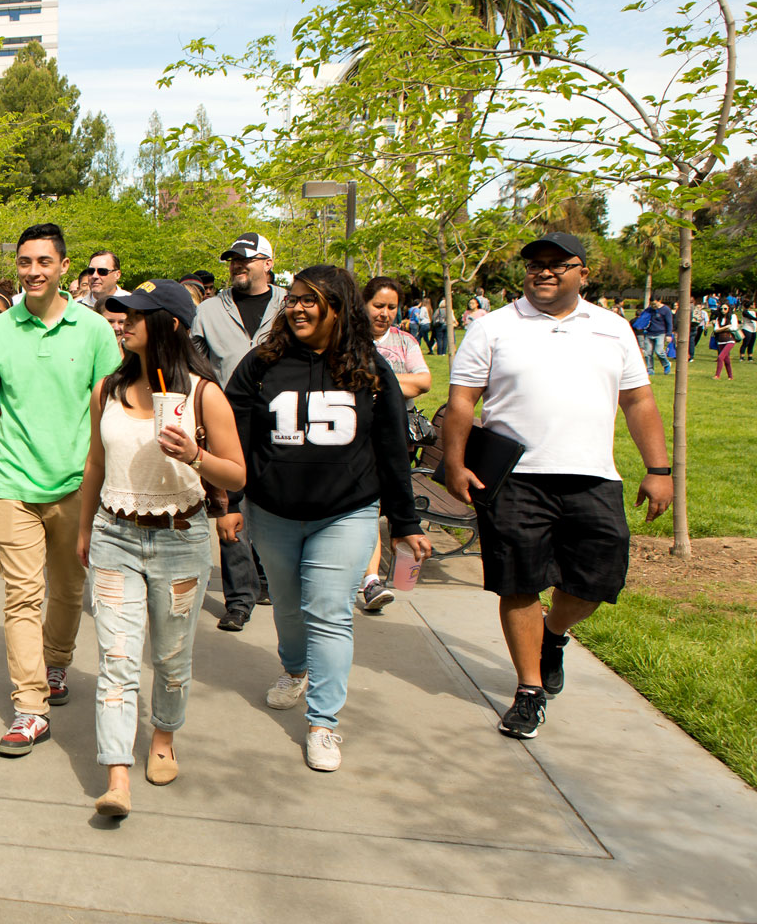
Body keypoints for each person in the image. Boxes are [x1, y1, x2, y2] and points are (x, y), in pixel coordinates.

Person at [445, 232, 672, 741]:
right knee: (518, 581)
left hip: (593, 475)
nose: (543, 272)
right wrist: (455, 465)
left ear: (583, 273)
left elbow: (638, 402)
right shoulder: (493, 328)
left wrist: (659, 469)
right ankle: (529, 691)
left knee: (597, 579)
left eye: (557, 264)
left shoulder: (613, 329)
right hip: (515, 478)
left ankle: (553, 634)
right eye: (534, 265)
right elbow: (462, 402)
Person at [225, 264, 432, 772]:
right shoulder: (261, 364)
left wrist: (405, 523)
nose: (296, 307)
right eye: (292, 299)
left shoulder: (371, 369)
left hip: (346, 513)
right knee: (290, 608)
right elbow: (236, 439)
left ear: (337, 308)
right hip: (272, 512)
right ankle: (294, 670)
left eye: (309, 300)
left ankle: (324, 724)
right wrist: (230, 504)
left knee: (329, 611)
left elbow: (392, 451)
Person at [78, 282, 245, 815]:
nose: (122, 322)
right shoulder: (106, 389)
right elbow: (95, 466)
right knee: (118, 660)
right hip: (114, 536)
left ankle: (164, 739)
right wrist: (86, 529)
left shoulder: (203, 394)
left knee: (171, 660)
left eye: (136, 315)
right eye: (120, 313)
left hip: (181, 539)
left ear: (170, 323)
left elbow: (238, 472)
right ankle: (117, 776)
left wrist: (196, 456)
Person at [0, 223, 122, 756]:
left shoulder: (95, 331)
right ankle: (29, 706)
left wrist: (104, 480)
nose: (33, 271)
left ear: (62, 267)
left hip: (77, 485)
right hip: (14, 482)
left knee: (67, 590)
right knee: (20, 596)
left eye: (43, 262)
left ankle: (56, 661)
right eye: (24, 262)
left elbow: (105, 410)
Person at [190, 232, 284, 633]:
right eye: (233, 260)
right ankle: (239, 599)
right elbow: (194, 359)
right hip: (227, 421)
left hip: (280, 423)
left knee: (275, 504)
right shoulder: (210, 310)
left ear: (268, 263)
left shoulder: (289, 305)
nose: (237, 266)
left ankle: (268, 581)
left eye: (247, 260)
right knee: (231, 506)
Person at [357, 276, 432, 612]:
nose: (385, 313)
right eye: (378, 306)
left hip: (396, 439)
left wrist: (378, 380)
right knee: (371, 505)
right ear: (363, 304)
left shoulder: (405, 341)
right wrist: (400, 383)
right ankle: (371, 581)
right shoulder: (351, 342)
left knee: (390, 506)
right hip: (362, 437)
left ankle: (379, 574)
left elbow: (423, 383)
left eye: (391, 307)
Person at [714, 306, 738, 378]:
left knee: (720, 357)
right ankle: (730, 376)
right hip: (721, 341)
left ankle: (717, 375)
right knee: (726, 359)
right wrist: (726, 327)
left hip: (730, 340)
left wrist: (721, 329)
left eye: (725, 309)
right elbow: (716, 330)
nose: (723, 310)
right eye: (721, 309)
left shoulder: (732, 316)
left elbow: (733, 328)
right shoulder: (719, 318)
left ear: (728, 309)